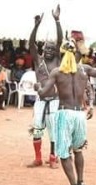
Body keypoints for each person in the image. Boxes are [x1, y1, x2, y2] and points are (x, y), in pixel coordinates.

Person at [38, 38, 96, 185]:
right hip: (79, 114)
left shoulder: (57, 72)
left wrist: (37, 87)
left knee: (64, 153)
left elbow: (43, 93)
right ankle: (81, 182)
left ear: (62, 54)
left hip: (64, 113)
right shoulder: (84, 70)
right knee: (78, 150)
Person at [28, 6, 63, 168]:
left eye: (51, 49)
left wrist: (57, 20)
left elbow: (61, 41)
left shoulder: (57, 61)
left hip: (55, 100)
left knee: (53, 129)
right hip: (41, 99)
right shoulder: (38, 60)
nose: (49, 51)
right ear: (43, 49)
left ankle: (53, 157)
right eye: (46, 48)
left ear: (55, 51)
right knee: (37, 127)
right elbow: (31, 44)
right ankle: (38, 157)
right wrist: (36, 26)